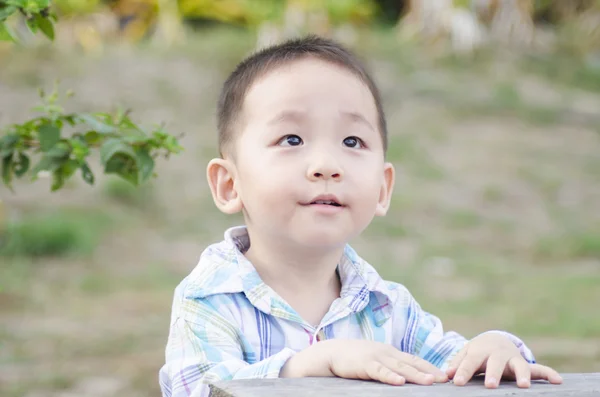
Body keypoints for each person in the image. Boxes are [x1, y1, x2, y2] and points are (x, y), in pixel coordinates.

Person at [158, 35, 563, 397]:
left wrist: (493, 346)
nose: (327, 165)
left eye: (352, 141)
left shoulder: (388, 307)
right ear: (230, 184)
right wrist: (308, 366)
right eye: (292, 138)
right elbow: (198, 387)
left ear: (383, 189)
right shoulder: (209, 299)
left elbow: (452, 364)